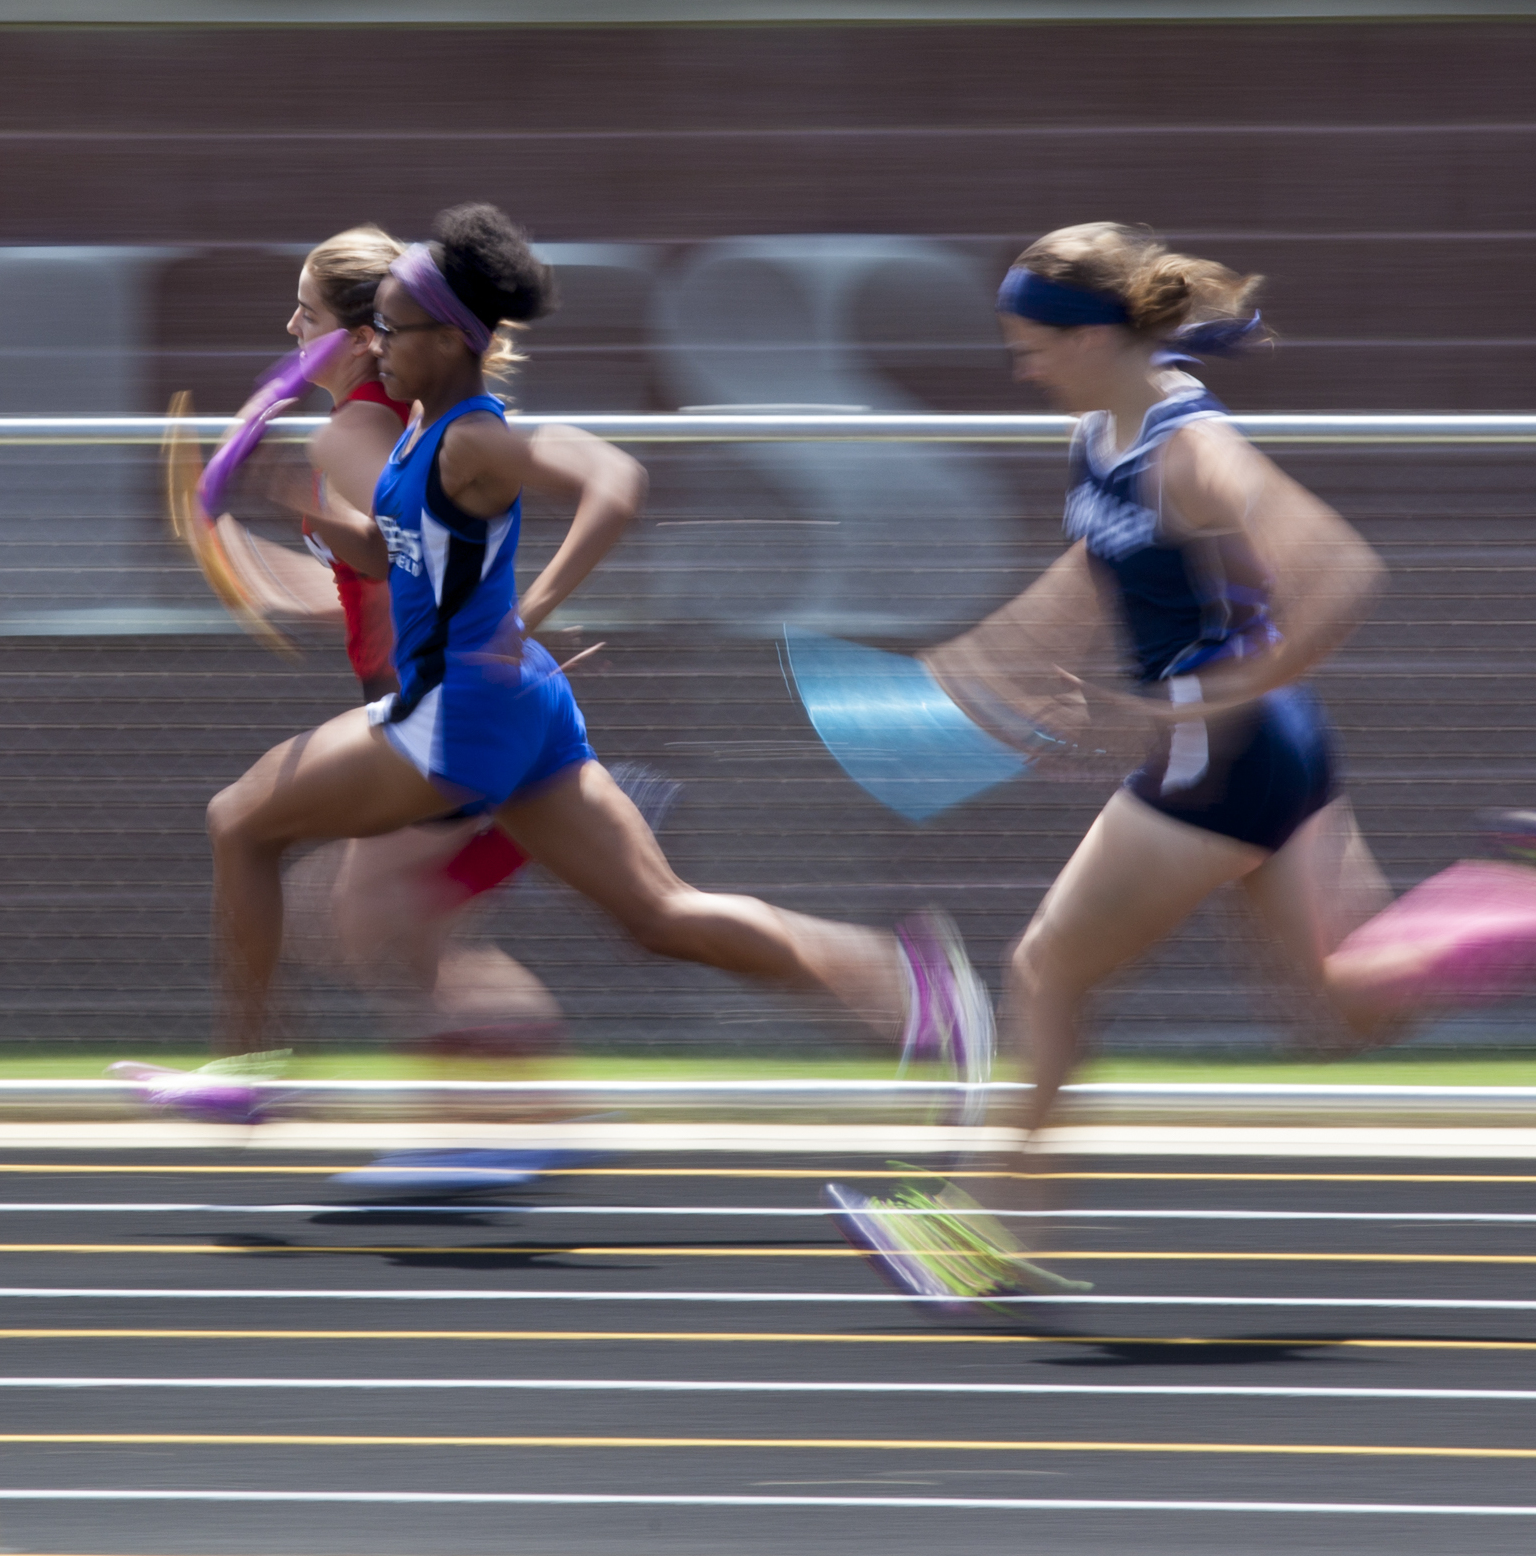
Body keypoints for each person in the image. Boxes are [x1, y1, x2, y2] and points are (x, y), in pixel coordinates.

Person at [831, 222, 1536, 1310]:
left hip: (1225, 751)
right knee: (1335, 1007)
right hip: (1264, 745)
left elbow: (1338, 571)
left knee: (1049, 966)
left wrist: (1210, 695)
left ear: (1097, 334)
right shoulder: (1107, 426)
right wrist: (1008, 652)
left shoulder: (1194, 446)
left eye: (1035, 344)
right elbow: (1108, 554)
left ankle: (983, 1225)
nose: (1023, 366)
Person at [121, 203, 990, 1128]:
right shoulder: (419, 433)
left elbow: (617, 480)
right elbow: (399, 556)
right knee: (662, 913)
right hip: (521, 704)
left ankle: (254, 1065)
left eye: (387, 328)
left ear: (447, 340)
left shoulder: (468, 436)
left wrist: (530, 609)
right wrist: (298, 515)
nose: (372, 344)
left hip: (463, 712)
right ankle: (911, 992)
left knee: (241, 823)